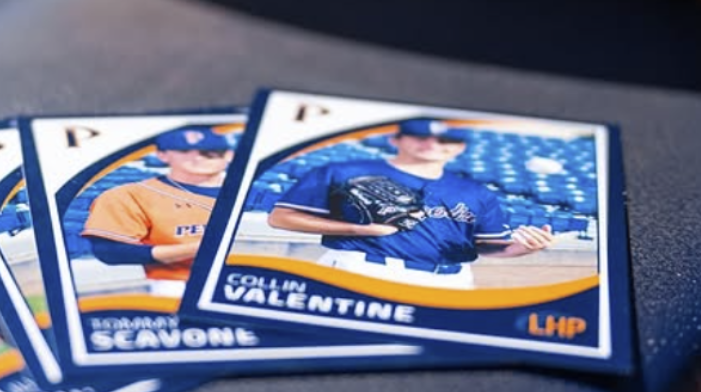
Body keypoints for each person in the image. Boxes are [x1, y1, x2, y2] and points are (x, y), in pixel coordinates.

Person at [267, 118, 554, 288]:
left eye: (445, 139)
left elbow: (487, 248)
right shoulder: (342, 172)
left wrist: (522, 249)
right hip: (360, 269)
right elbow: (280, 218)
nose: (431, 144)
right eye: (420, 136)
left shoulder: (476, 193)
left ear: (460, 147)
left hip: (450, 282)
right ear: (396, 139)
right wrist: (360, 230)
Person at [80, 126, 235, 294]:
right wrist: (195, 249)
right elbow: (109, 251)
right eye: (184, 151)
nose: (197, 158)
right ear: (162, 155)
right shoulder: (129, 195)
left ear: (229, 155)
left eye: (210, 152)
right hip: (179, 284)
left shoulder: (253, 193)